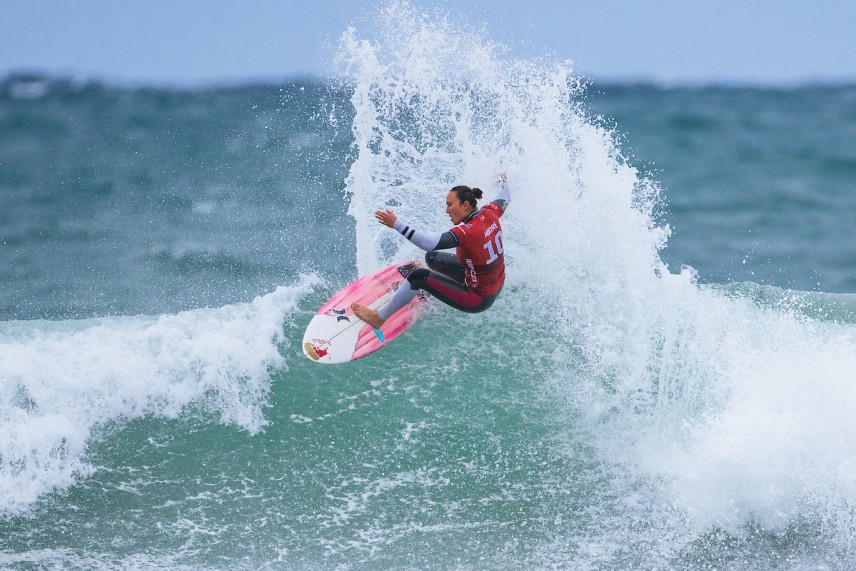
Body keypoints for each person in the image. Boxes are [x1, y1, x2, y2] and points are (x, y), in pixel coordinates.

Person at [352, 174, 510, 329]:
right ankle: (432, 287)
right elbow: (505, 197)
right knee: (433, 258)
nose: (447, 210)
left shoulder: (468, 231)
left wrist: (396, 224)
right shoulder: (489, 212)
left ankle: (378, 317)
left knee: (417, 276)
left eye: (450, 205)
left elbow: (428, 243)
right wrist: (502, 182)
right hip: (497, 282)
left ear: (466, 205)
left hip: (478, 297)